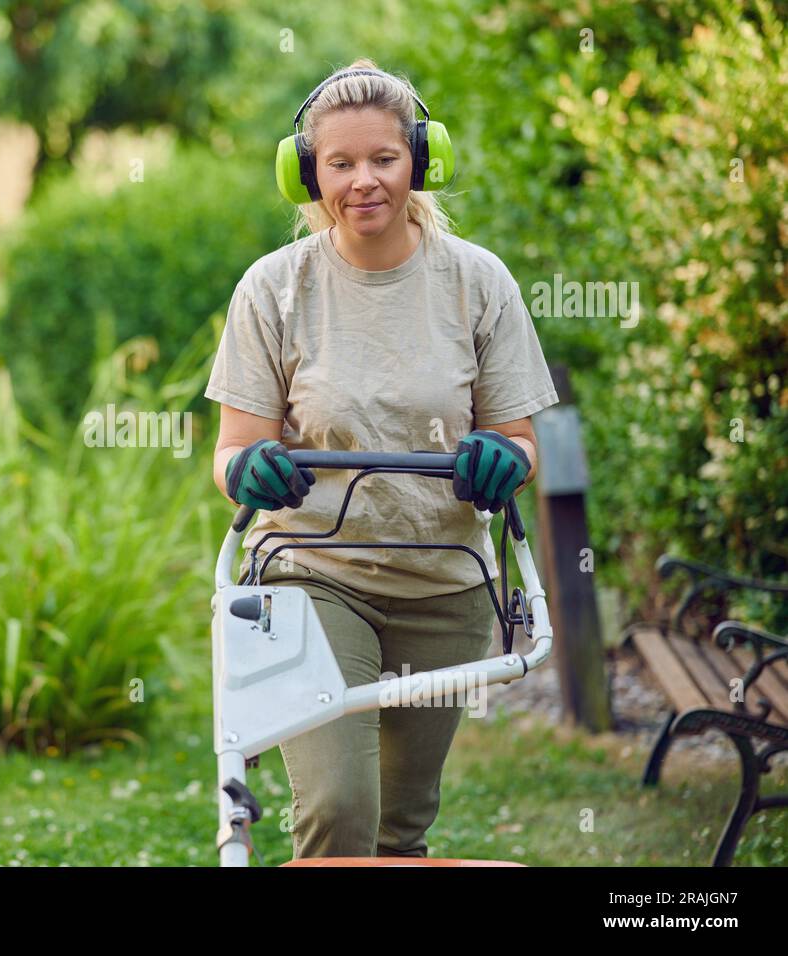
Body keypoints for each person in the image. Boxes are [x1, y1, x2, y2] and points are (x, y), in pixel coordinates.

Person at [205, 61, 559, 859]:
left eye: (384, 159)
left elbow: (520, 440)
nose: (363, 181)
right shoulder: (274, 290)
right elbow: (232, 451)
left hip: (444, 586)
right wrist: (248, 469)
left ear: (421, 161)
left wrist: (505, 458)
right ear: (307, 173)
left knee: (400, 831)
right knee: (338, 812)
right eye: (340, 163)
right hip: (313, 575)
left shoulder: (478, 283)